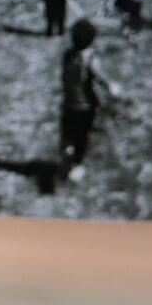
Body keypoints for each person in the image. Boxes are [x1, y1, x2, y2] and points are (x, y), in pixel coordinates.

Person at [57, 16, 113, 185]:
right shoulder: (90, 59)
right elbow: (98, 76)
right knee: (82, 137)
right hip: (86, 106)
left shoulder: (68, 56)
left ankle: (67, 151)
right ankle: (76, 165)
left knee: (68, 132)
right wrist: (111, 86)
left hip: (69, 103)